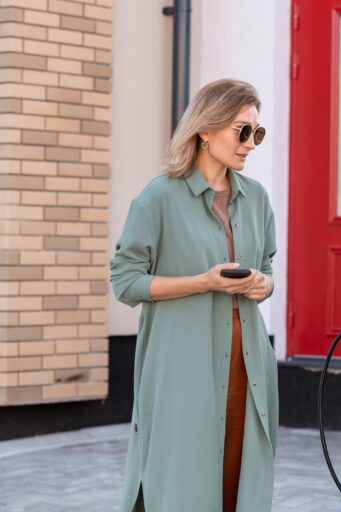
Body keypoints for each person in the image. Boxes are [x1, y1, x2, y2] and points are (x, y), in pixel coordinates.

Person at [110, 79, 277, 512]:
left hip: (248, 363)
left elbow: (270, 269)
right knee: (181, 479)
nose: (251, 144)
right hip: (183, 364)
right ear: (206, 130)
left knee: (236, 481)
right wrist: (204, 282)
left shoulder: (256, 199)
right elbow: (125, 281)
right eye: (243, 131)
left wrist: (263, 283)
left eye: (257, 133)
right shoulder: (159, 197)